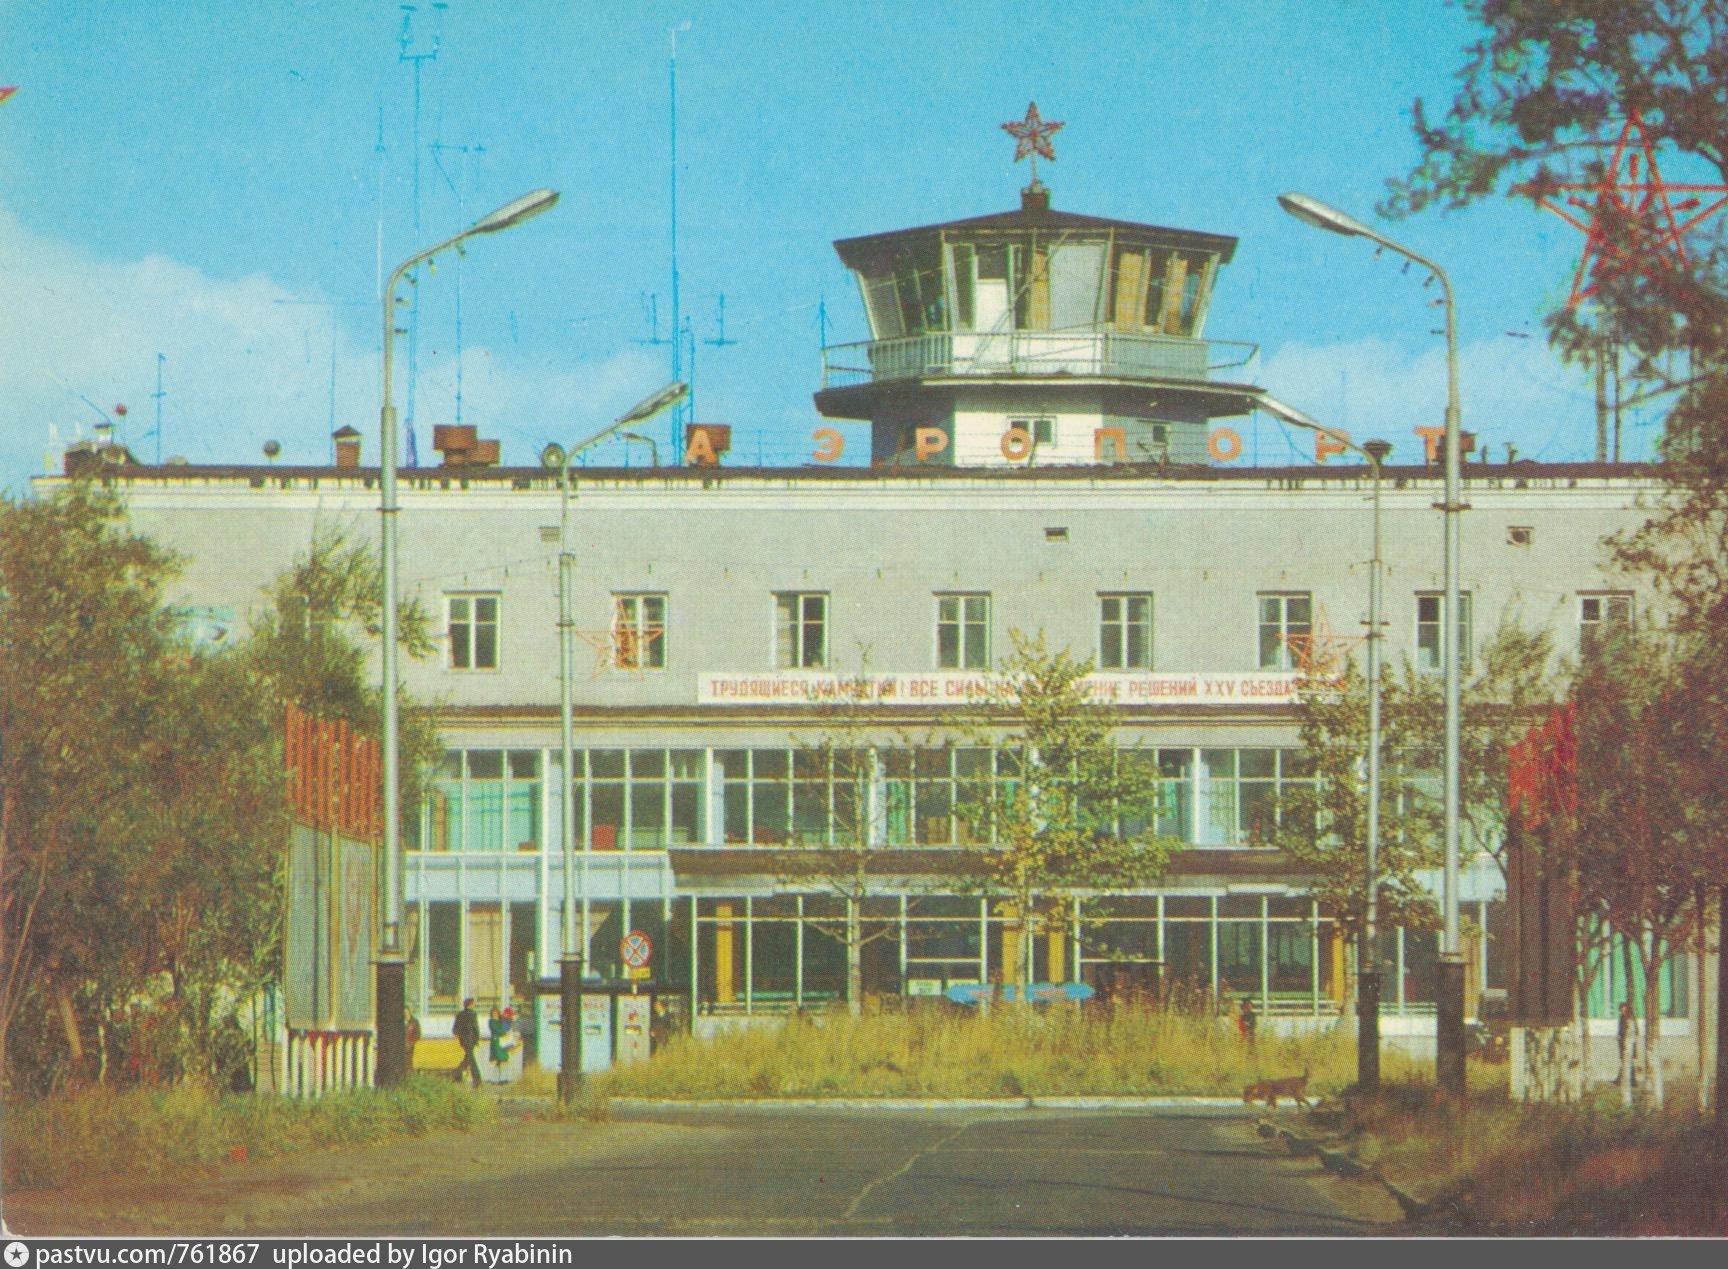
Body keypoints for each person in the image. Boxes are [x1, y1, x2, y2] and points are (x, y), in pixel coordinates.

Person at [452, 997, 481, 1089]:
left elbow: (455, 1029)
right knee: (471, 1059)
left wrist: (459, 1035)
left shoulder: (460, 1014)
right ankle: (477, 1080)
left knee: (468, 1058)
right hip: (471, 1039)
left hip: (463, 1040)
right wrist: (477, 1040)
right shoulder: (473, 1014)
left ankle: (457, 1075)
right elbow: (475, 1028)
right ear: (471, 1004)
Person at [487, 1006, 510, 1084]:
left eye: (496, 1012)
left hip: (503, 1041)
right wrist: (504, 1032)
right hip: (496, 1041)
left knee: (503, 1060)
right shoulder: (491, 1021)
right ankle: (495, 1079)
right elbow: (495, 1029)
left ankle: (502, 1078)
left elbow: (506, 1027)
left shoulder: (501, 1020)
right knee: (497, 1060)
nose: (495, 1014)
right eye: (493, 1013)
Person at [404, 1007, 421, 1074]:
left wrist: (411, 1044)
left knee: (409, 1063)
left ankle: (410, 1074)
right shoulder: (400, 1022)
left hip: (411, 1046)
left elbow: (418, 1034)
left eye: (406, 1012)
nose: (405, 1014)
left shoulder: (414, 1021)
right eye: (404, 1013)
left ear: (409, 1012)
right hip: (402, 1046)